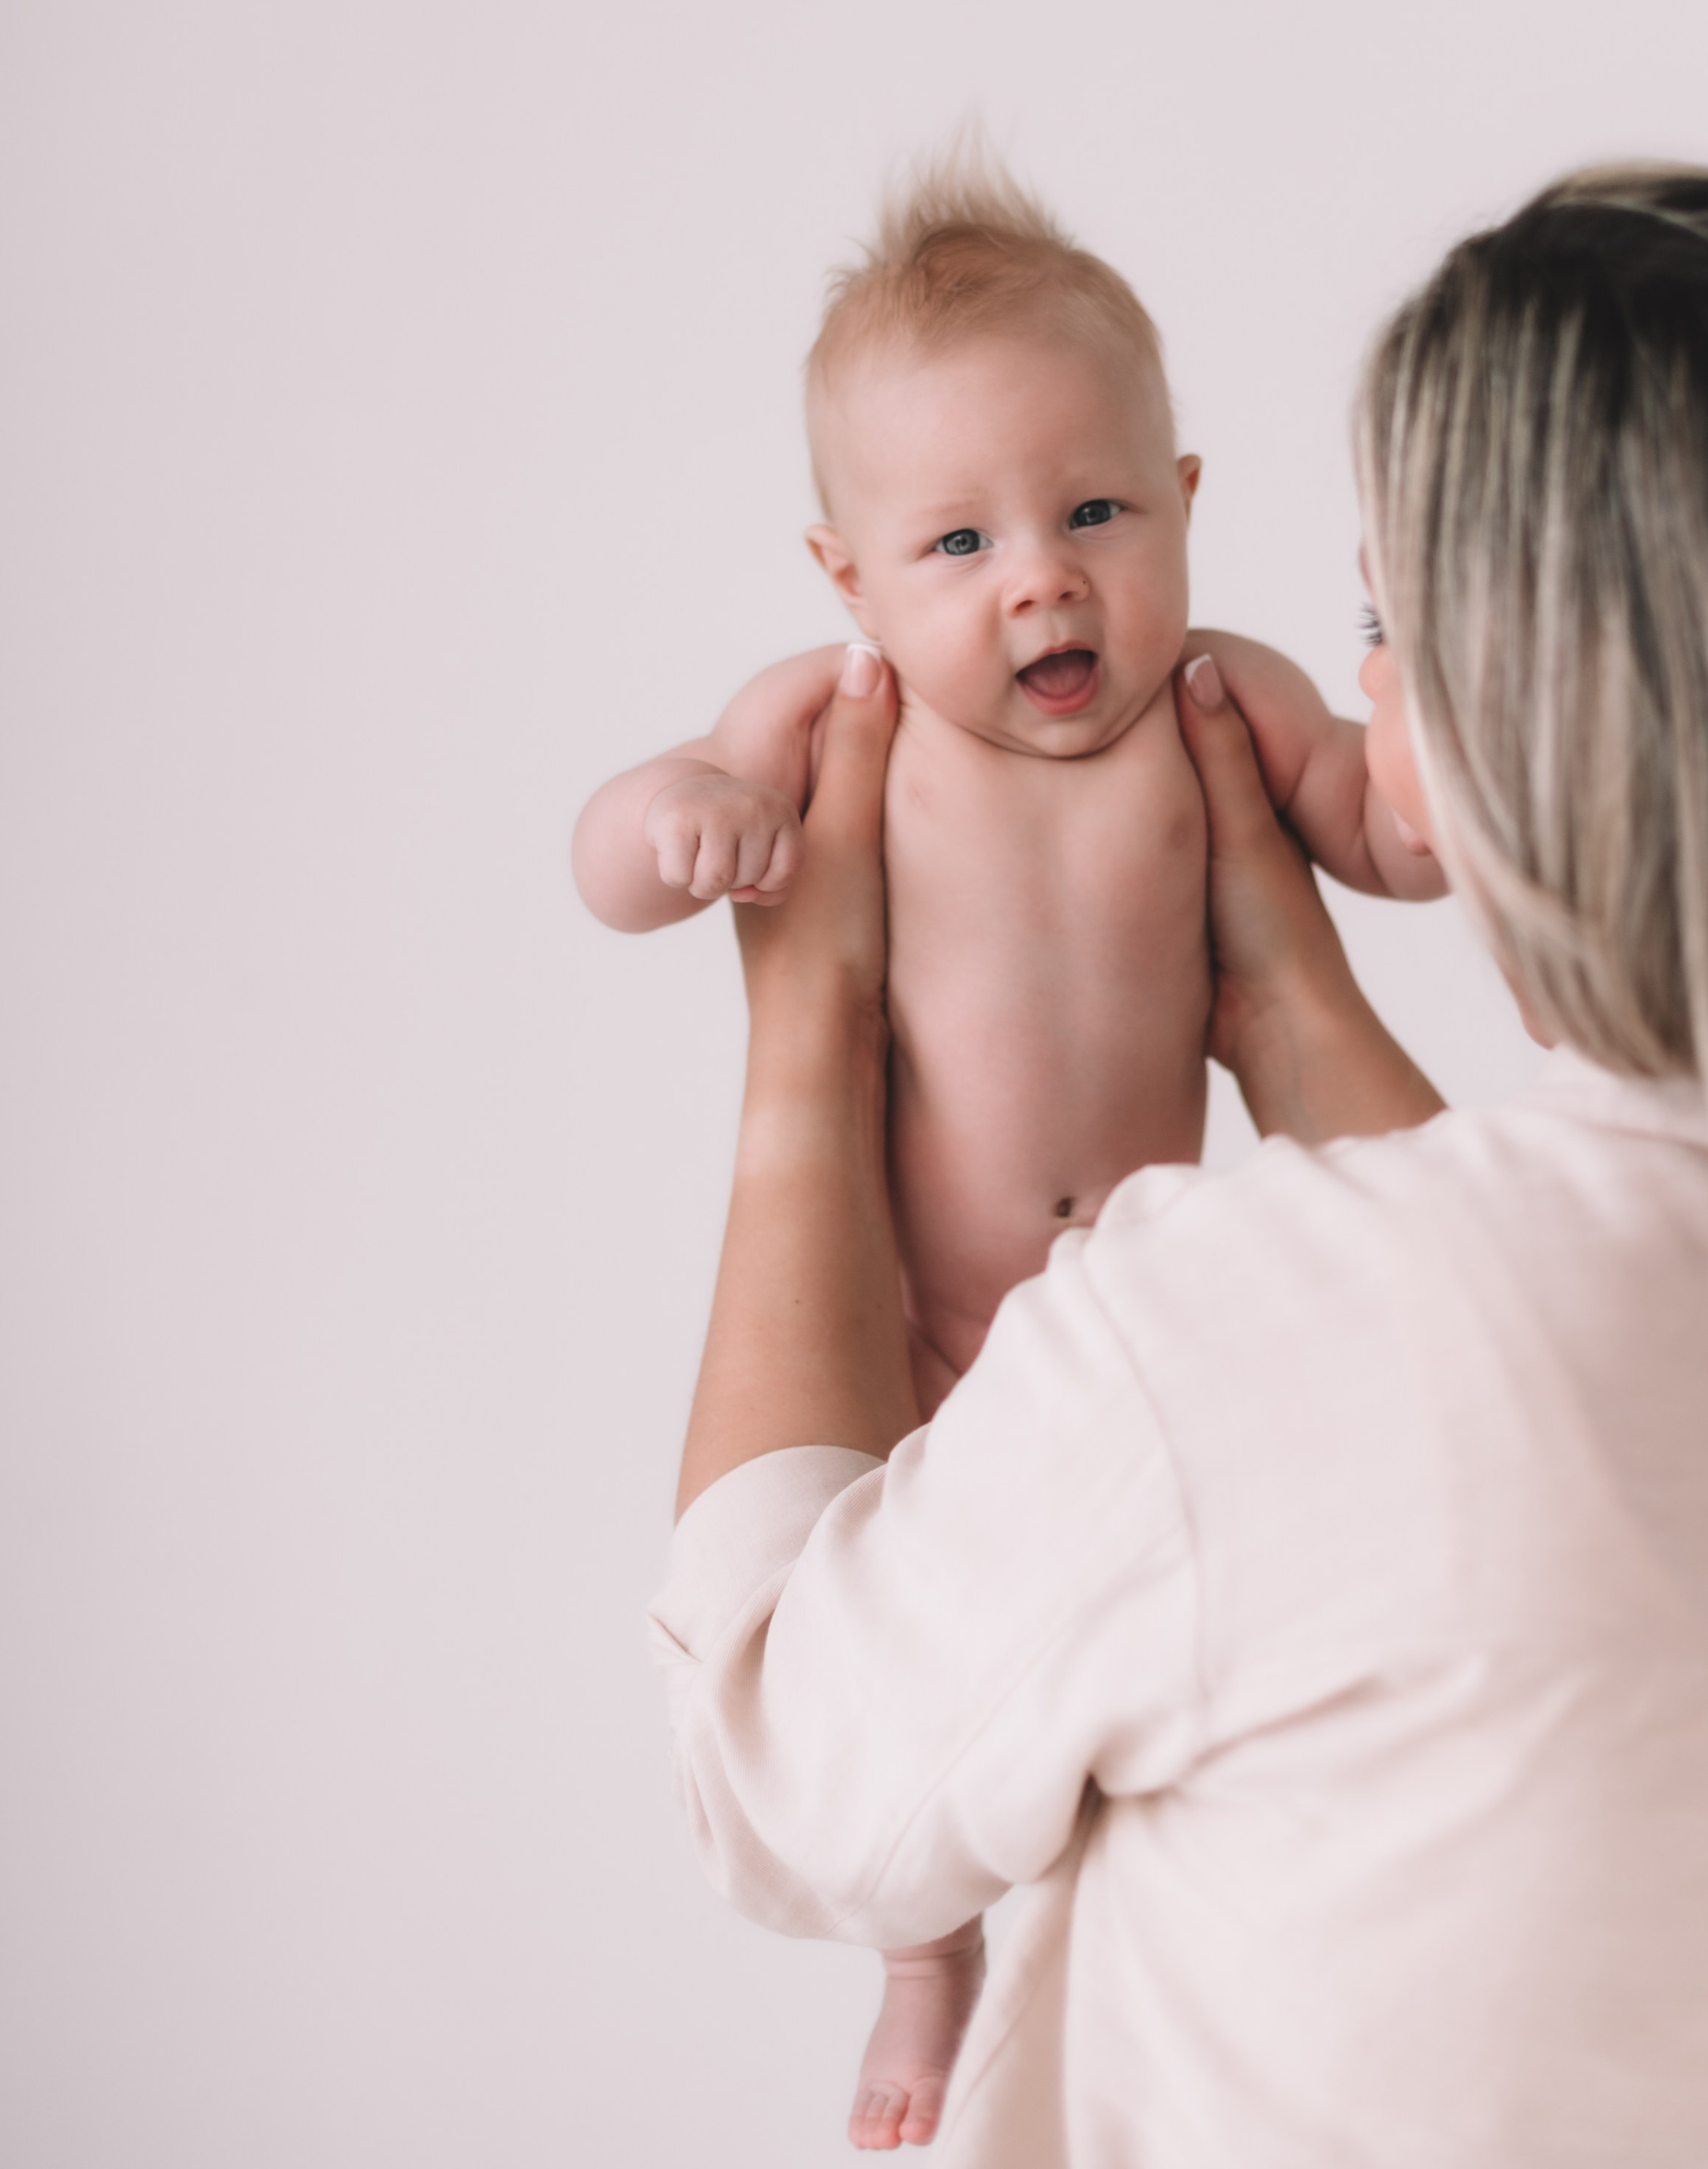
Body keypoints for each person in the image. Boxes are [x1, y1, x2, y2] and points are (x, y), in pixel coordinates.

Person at [652, 168, 1708, 2167]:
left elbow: (782, 1760)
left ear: (1552, 711)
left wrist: (803, 1053)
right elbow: (1532, 1376)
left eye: (1393, 623)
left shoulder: (1217, 1340)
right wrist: (1293, 1018)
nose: (1362, 686)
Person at [575, 155, 1437, 2144]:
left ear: (1190, 501)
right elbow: (616, 854)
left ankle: (1115, 1964)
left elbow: (1376, 833)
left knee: (1138, 1665)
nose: (1040, 576)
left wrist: (1439, 795)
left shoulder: (1225, 700)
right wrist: (683, 814)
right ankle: (924, 1971)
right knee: (889, 1652)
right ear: (847, 577)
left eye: (1094, 511)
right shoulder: (832, 713)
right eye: (955, 538)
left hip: (1148, 1318)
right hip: (909, 1325)